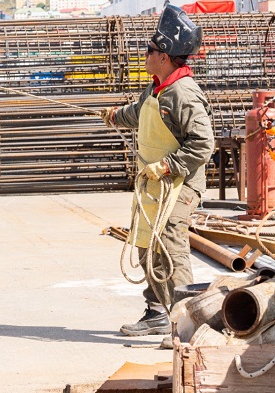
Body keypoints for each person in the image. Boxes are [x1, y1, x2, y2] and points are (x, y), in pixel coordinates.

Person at [100, 5, 214, 338]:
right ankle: (156, 314)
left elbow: (203, 144)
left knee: (170, 248)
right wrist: (115, 115)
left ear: (163, 56)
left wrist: (167, 165)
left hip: (179, 185)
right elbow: (140, 112)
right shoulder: (158, 88)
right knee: (146, 244)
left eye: (149, 50)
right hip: (155, 184)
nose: (145, 54)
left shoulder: (184, 94)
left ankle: (187, 326)